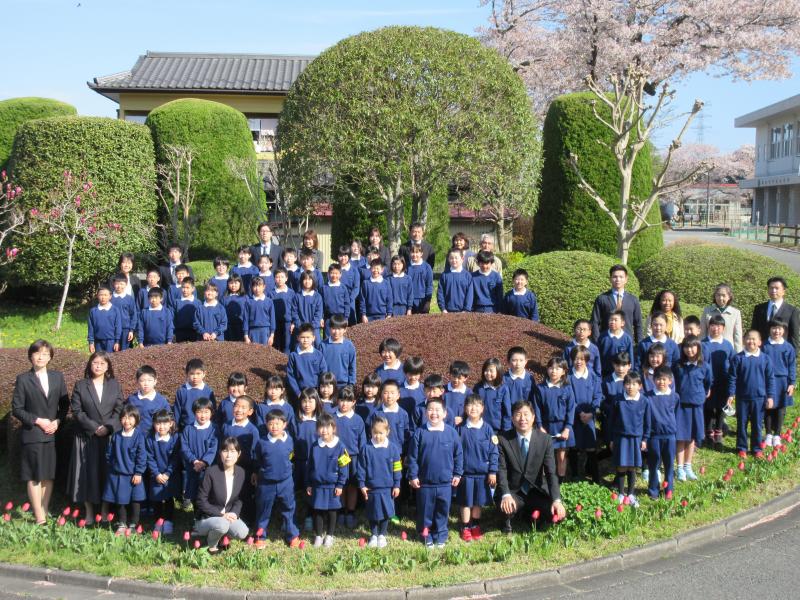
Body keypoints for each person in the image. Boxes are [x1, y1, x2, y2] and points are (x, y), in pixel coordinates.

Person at [12, 339, 69, 525]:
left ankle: (44, 509)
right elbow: (17, 409)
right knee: (34, 476)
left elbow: (64, 404)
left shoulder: (57, 377)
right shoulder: (23, 379)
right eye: (37, 353)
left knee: (48, 475)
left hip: (52, 433)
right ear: (31, 356)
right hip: (33, 434)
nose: (41, 357)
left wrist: (57, 421)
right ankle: (39, 516)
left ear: (50, 357)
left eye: (45, 354)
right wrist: (38, 421)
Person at [66, 352, 123, 524]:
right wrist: (94, 428)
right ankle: (89, 512)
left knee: (106, 473)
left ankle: (105, 510)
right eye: (95, 363)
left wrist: (108, 427)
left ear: (108, 367)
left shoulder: (114, 385)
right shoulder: (81, 385)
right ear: (90, 365)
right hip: (86, 436)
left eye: (102, 363)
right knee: (86, 475)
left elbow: (119, 409)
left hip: (108, 436)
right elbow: (77, 411)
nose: (98, 366)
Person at [495, 400, 565, 534]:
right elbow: (501, 470)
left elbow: (551, 472)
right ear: (512, 419)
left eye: (526, 414)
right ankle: (511, 519)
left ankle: (527, 514)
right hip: (514, 491)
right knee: (505, 508)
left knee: (557, 515)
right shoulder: (503, 439)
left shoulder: (545, 439)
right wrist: (506, 494)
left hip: (536, 490)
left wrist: (556, 499)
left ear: (533, 417)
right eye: (518, 414)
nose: (522, 418)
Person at [407, 396, 463, 548]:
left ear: (445, 413)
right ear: (426, 413)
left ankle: (441, 534)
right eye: (430, 410)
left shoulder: (451, 433)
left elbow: (458, 455)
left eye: (438, 410)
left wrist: (457, 473)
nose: (434, 413)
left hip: (445, 482)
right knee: (425, 511)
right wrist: (413, 475)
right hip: (425, 483)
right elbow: (412, 457)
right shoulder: (420, 432)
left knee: (442, 510)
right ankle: (426, 534)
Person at [253, 409, 301, 548]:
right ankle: (260, 536)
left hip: (285, 482)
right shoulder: (262, 442)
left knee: (289, 508)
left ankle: (292, 535)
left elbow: (291, 456)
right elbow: (258, 459)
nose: (274, 427)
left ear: (284, 424)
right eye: (271, 424)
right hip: (266, 483)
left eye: (278, 423)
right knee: (263, 509)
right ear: (266, 425)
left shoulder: (289, 440)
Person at [194, 437, 250, 554]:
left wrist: (234, 513)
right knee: (222, 524)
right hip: (208, 517)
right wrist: (221, 514)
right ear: (220, 453)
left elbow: (239, 498)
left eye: (233, 451)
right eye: (225, 451)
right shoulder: (211, 472)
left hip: (228, 516)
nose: (228, 455)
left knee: (242, 532)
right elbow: (201, 501)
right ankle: (211, 544)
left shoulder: (241, 472)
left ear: (239, 454)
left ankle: (222, 536)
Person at [456, 394, 498, 542]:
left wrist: (492, 471)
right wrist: (456, 472)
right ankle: (465, 527)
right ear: (465, 408)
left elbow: (494, 452)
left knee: (478, 502)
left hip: (482, 474)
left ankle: (475, 525)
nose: (473, 408)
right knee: (466, 502)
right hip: (465, 474)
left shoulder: (488, 429)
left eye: (477, 405)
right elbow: (455, 452)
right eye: (470, 405)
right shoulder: (460, 429)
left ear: (482, 409)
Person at [727, 330, 775, 458]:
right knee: (741, 423)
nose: (751, 341)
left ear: (759, 342)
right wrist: (731, 394)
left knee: (757, 424)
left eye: (754, 339)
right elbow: (732, 378)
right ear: (744, 341)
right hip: (742, 398)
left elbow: (770, 379)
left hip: (759, 398)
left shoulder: (765, 359)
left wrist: (770, 396)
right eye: (748, 338)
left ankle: (756, 448)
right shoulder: (738, 358)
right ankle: (741, 447)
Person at [357, 416, 402, 548]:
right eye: (375, 433)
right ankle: (374, 534)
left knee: (386, 512)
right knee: (372, 512)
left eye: (381, 433)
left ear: (387, 432)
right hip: (371, 488)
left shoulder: (393, 449)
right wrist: (362, 484)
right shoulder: (366, 448)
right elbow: (361, 468)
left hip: (387, 488)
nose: (377, 436)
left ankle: (382, 534)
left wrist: (397, 484)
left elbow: (397, 468)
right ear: (371, 431)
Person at [102, 403, 147, 535]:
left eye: (130, 417)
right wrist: (113, 466)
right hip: (118, 475)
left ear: (136, 419)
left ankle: (133, 524)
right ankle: (122, 523)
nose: (127, 421)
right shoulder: (116, 436)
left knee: (135, 501)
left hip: (134, 475)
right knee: (120, 501)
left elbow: (142, 456)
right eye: (124, 417)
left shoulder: (139, 436)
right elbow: (109, 454)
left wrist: (138, 472)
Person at [306, 412, 349, 547]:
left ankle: (329, 535)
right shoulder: (314, 446)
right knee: (317, 510)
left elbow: (344, 468)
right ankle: (318, 535)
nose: (324, 430)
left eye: (327, 427)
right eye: (321, 427)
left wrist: (340, 485)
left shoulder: (341, 446)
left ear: (333, 428)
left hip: (332, 486)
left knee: (332, 511)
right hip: (317, 485)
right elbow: (309, 466)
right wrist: (309, 484)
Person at [673, 336, 712, 482]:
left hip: (696, 405)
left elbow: (708, 383)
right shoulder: (678, 365)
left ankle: (688, 466)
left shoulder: (704, 366)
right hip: (681, 406)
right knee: (681, 437)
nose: (689, 350)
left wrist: (703, 394)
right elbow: (673, 383)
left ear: (698, 348)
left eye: (692, 347)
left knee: (691, 437)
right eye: (686, 347)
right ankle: (679, 467)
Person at [609, 372, 650, 508]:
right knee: (621, 465)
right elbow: (612, 421)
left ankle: (631, 494)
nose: (630, 387)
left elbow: (647, 422)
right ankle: (621, 493)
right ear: (624, 385)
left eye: (634, 384)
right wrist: (612, 439)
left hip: (636, 438)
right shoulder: (618, 400)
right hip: (621, 438)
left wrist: (645, 439)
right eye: (627, 384)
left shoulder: (644, 401)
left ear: (640, 386)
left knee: (632, 467)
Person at [532, 357, 575, 482]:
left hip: (562, 427)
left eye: (557, 368)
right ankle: (545, 483)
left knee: (561, 456)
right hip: (545, 427)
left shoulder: (567, 388)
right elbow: (537, 408)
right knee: (545, 456)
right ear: (547, 369)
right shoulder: (540, 388)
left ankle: (560, 482)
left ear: (564, 371)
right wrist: (540, 426)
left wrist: (567, 428)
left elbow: (571, 409)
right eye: (551, 368)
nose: (554, 371)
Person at [568, 346, 603, 484]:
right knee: (574, 446)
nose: (579, 362)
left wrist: (591, 412)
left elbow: (598, 395)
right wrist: (580, 412)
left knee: (591, 447)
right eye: (576, 359)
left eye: (582, 359)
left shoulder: (593, 376)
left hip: (589, 418)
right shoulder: (568, 377)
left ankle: (595, 478)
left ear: (587, 360)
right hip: (574, 417)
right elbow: (570, 397)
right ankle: (575, 476)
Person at [333, 385, 366, 529]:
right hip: (337, 458)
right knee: (340, 484)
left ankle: (351, 512)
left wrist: (362, 458)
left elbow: (362, 441)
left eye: (348, 401)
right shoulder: (333, 417)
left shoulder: (358, 420)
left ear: (353, 402)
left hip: (354, 457)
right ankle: (341, 510)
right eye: (341, 400)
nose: (344, 404)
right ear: (337, 400)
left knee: (352, 485)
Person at [762, 318, 797, 446]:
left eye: (779, 328)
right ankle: (768, 433)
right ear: (769, 329)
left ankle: (777, 434)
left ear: (784, 330)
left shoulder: (788, 347)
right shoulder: (764, 346)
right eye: (774, 328)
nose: (776, 331)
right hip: (767, 380)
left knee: (781, 408)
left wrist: (792, 383)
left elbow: (792, 366)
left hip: (783, 381)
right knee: (768, 407)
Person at [702, 315, 736, 448]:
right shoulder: (703, 343)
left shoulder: (727, 345)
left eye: (719, 326)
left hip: (723, 381)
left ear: (723, 328)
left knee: (722, 407)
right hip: (708, 382)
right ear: (708, 326)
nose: (715, 328)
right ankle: (709, 432)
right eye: (713, 325)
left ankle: (719, 431)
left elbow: (733, 364)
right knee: (709, 407)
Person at [646, 366, 679, 500]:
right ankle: (653, 490)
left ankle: (668, 490)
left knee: (669, 464)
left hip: (670, 436)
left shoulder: (675, 396)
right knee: (653, 464)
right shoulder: (648, 397)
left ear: (670, 381)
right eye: (658, 379)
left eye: (664, 379)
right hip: (654, 436)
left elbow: (676, 414)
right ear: (654, 380)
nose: (661, 382)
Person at [179, 397, 218, 509]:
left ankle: (206, 515)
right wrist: (194, 461)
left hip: (208, 468)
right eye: (199, 412)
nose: (203, 415)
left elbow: (213, 448)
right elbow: (184, 447)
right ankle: (195, 515)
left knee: (207, 493)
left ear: (211, 413)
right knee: (194, 492)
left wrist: (203, 462)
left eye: (206, 412)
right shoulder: (188, 429)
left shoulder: (214, 429)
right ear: (194, 413)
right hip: (193, 467)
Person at [146, 409, 180, 534]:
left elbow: (175, 458)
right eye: (158, 423)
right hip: (156, 475)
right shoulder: (150, 439)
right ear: (153, 424)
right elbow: (149, 458)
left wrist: (167, 473)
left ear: (170, 423)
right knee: (157, 499)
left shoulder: (175, 438)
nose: (161, 427)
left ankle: (169, 521)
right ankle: (158, 521)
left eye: (165, 423)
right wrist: (156, 474)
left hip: (170, 475)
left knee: (169, 498)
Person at [591, 264, 643, 343]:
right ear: (610, 279)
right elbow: (594, 322)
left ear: (626, 279)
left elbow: (638, 324)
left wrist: (639, 344)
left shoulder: (633, 300)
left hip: (627, 342)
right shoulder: (602, 299)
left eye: (621, 277)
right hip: (607, 341)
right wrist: (597, 342)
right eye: (615, 277)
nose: (618, 279)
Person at [752, 276, 800, 351]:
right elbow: (754, 331)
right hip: (761, 351)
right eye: (771, 288)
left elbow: (794, 336)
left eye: (777, 288)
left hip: (782, 352)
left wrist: (793, 354)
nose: (773, 291)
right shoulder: (759, 308)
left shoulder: (792, 311)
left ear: (783, 291)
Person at [286, 324, 328, 400]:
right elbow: (290, 375)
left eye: (308, 337)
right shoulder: (293, 356)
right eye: (302, 337)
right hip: (300, 392)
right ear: (298, 338)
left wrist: (319, 390)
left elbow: (323, 372)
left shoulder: (318, 355)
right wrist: (297, 392)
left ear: (313, 338)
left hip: (315, 392)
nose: (305, 340)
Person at [125, 365, 169, 435]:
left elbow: (168, 419)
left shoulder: (161, 401)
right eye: (142, 381)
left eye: (149, 380)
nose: (146, 384)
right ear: (137, 382)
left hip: (154, 437)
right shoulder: (132, 400)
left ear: (155, 381)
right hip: (135, 437)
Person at [174, 359, 216, 430]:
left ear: (204, 374)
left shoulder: (208, 391)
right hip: (185, 429)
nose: (195, 377)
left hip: (204, 429)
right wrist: (175, 429)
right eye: (192, 374)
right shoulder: (181, 391)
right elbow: (177, 412)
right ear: (187, 374)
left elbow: (213, 412)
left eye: (198, 373)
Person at [700, 283, 743, 352]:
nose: (720, 298)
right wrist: (701, 350)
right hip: (709, 349)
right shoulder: (707, 311)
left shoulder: (735, 313)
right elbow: (702, 333)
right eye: (718, 295)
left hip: (727, 351)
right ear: (715, 296)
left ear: (729, 297)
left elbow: (737, 335)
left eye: (723, 295)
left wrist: (738, 353)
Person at [473, 358, 511, 434]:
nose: (488, 373)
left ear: (498, 372)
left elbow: (507, 412)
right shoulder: (478, 388)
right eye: (486, 370)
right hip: (479, 427)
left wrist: (506, 431)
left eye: (491, 371)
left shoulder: (503, 389)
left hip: (497, 430)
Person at [320, 314, 357, 387]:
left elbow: (352, 367)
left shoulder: (349, 346)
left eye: (339, 329)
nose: (336, 332)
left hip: (344, 384)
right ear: (329, 328)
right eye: (334, 328)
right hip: (327, 384)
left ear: (345, 329)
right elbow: (320, 366)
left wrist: (351, 384)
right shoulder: (323, 345)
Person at [597, 311, 635, 376]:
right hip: (605, 372)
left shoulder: (627, 338)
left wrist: (630, 371)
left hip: (622, 372)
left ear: (622, 323)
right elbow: (598, 356)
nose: (612, 322)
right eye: (611, 320)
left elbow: (630, 357)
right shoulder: (602, 337)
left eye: (615, 320)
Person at [292, 271, 324, 347]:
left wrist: (311, 327)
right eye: (305, 279)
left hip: (314, 329)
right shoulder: (297, 296)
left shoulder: (317, 297)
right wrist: (300, 326)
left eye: (309, 279)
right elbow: (294, 312)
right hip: (300, 328)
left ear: (313, 281)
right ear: (301, 281)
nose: (307, 281)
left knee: (317, 347)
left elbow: (318, 314)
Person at [437, 249, 473, 313]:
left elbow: (470, 295)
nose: (454, 260)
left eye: (456, 258)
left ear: (462, 259)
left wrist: (466, 309)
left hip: (463, 312)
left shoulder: (467, 276)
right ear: (448, 259)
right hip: (447, 312)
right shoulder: (444, 275)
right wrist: (443, 308)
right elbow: (440, 293)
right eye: (451, 258)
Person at [243, 277, 276, 347]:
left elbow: (272, 319)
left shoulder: (269, 301)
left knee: (265, 352)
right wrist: (246, 336)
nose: (257, 289)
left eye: (259, 286)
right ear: (251, 287)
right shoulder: (248, 302)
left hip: (265, 331)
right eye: (255, 286)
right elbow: (245, 319)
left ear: (264, 287)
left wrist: (272, 335)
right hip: (252, 331)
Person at [88, 286, 121, 353]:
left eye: (105, 295)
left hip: (111, 341)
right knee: (99, 358)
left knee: (110, 358)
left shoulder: (115, 310)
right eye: (101, 295)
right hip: (98, 342)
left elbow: (118, 326)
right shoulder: (93, 311)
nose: (103, 297)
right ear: (97, 296)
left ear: (110, 296)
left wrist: (117, 341)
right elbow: (91, 328)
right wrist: (91, 342)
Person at [270, 267, 296, 353]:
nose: (280, 279)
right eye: (277, 277)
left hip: (288, 323)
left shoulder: (291, 293)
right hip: (274, 323)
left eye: (282, 277)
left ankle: (286, 361)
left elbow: (294, 309)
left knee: (287, 345)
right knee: (276, 345)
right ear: (274, 278)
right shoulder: (270, 293)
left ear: (286, 278)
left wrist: (293, 323)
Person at [359, 258, 393, 322]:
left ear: (382, 270)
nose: (375, 270)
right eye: (373, 268)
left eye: (378, 268)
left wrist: (389, 314)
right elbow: (362, 300)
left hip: (383, 316)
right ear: (370, 269)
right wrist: (363, 314)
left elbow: (389, 300)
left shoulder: (386, 283)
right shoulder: (365, 283)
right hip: (368, 316)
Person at [321, 264, 350, 335]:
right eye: (332, 273)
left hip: (340, 317)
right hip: (328, 318)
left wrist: (346, 318)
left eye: (336, 273)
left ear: (340, 274)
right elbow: (320, 305)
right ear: (328, 274)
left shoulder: (343, 287)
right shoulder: (324, 288)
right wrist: (321, 317)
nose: (334, 275)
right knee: (328, 337)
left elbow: (347, 303)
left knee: (339, 336)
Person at [110, 275, 138, 350]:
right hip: (111, 329)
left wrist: (131, 330)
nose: (119, 286)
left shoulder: (129, 298)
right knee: (111, 351)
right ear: (113, 284)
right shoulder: (109, 298)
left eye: (121, 284)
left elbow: (133, 315)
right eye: (117, 283)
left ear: (126, 284)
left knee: (124, 351)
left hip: (125, 329)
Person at [407, 244, 434, 314]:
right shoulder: (406, 267)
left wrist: (427, 301)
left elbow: (429, 285)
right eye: (412, 252)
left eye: (417, 252)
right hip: (409, 300)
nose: (414, 255)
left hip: (423, 300)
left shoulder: (427, 267)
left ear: (421, 253)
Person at [172, 277, 201, 343]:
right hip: (179, 333)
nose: (185, 290)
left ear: (193, 289)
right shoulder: (176, 302)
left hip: (194, 332)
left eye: (187, 288)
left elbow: (200, 318)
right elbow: (173, 318)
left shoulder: (198, 302)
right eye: (183, 287)